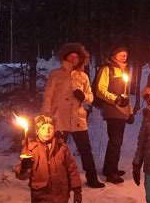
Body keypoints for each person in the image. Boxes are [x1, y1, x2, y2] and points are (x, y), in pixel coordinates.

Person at [42, 42, 105, 188]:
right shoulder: (55, 74)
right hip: (59, 118)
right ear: (65, 57)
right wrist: (46, 116)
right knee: (57, 151)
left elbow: (91, 97)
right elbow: (48, 96)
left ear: (80, 59)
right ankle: (56, 179)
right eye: (71, 56)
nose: (73, 59)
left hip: (78, 118)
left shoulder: (83, 76)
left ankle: (92, 178)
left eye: (76, 57)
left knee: (85, 149)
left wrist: (83, 96)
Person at [95, 46, 135, 184]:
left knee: (116, 142)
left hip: (122, 111)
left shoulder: (124, 71)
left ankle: (110, 168)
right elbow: (100, 90)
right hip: (112, 111)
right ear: (114, 56)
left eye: (126, 54)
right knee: (115, 141)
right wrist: (115, 99)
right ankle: (111, 173)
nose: (124, 57)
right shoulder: (107, 69)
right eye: (121, 54)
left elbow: (126, 95)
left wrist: (130, 112)